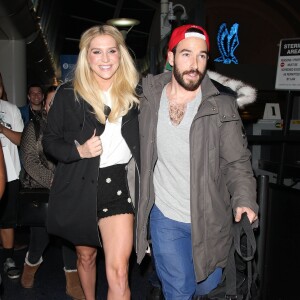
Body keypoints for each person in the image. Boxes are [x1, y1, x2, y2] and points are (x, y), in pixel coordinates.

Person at [135, 24, 259, 300]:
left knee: (205, 287)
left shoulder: (221, 105)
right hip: (165, 216)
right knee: (180, 290)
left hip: (211, 219)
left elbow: (236, 161)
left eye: (202, 56)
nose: (194, 64)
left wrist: (245, 200)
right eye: (187, 54)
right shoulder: (148, 98)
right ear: (170, 57)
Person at [42, 25, 140, 300]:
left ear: (121, 55)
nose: (105, 58)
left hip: (118, 185)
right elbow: (49, 142)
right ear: (86, 56)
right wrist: (79, 151)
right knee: (86, 257)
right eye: (97, 52)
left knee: (119, 271)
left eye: (112, 51)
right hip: (80, 185)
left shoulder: (136, 94)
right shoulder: (68, 94)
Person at [19, 85, 85, 299]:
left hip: (68, 193)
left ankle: (72, 281)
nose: (54, 105)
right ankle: (29, 266)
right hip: (43, 191)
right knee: (40, 239)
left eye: (59, 101)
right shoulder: (34, 128)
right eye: (50, 102)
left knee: (69, 237)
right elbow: (29, 161)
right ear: (45, 107)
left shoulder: (74, 129)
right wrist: (54, 181)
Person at [0, 91, 24, 280]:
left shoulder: (11, 109)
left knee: (7, 221)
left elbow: (21, 141)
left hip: (9, 174)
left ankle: (8, 259)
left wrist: (1, 128)